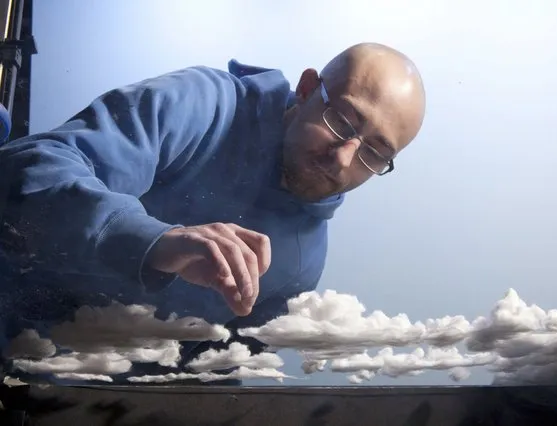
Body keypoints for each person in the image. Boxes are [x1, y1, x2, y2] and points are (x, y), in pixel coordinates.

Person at [0, 42, 426, 383]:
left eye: (373, 152)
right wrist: (154, 241)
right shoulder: (204, 104)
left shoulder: (303, 263)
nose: (343, 158)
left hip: (63, 397)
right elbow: (27, 171)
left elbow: (213, 369)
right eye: (342, 122)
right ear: (308, 88)